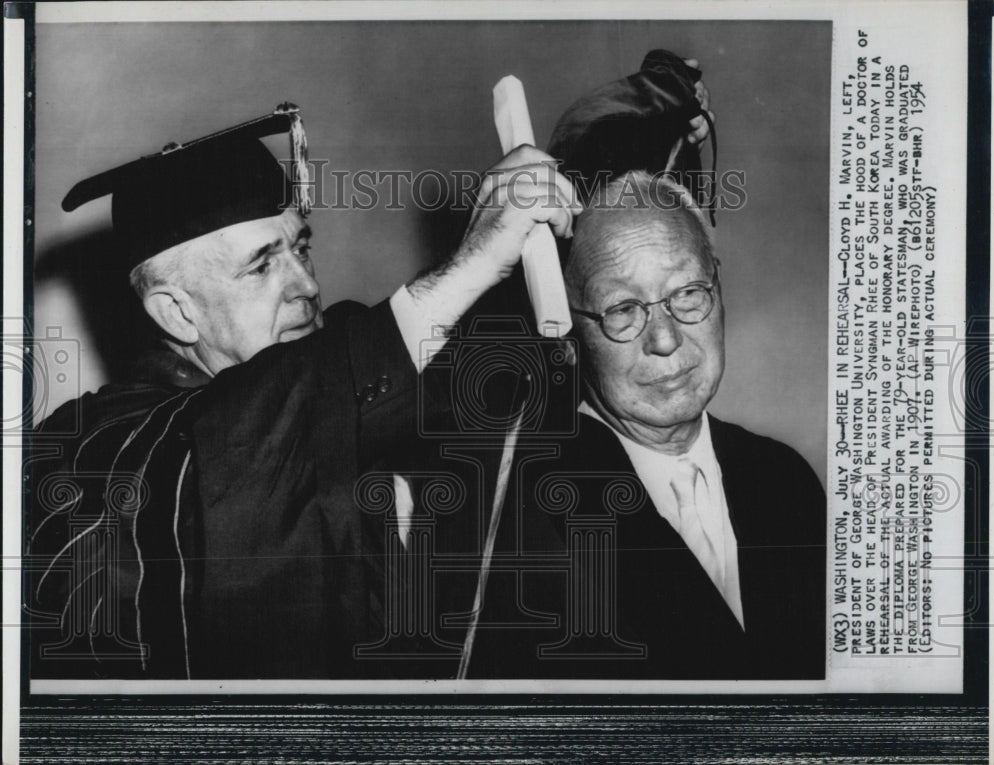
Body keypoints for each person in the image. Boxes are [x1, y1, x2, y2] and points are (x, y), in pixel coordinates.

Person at [25, 104, 582, 679]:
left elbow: (495, 382)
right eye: (262, 268)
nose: (307, 285)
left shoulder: (346, 376)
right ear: (176, 312)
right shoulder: (98, 451)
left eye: (301, 249)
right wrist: (471, 263)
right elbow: (239, 436)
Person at [462, 172, 826, 679]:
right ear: (568, 333)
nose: (664, 338)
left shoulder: (784, 480)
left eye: (688, 292)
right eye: (622, 309)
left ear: (719, 290)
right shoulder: (522, 521)